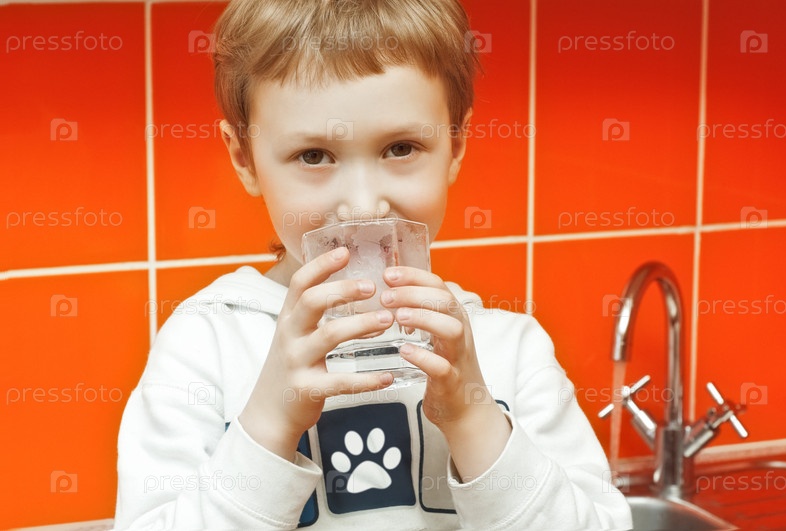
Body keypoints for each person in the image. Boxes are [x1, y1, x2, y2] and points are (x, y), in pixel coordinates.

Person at [114, 0, 632, 528]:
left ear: (455, 144)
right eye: (314, 156)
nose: (363, 207)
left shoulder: (511, 353)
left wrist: (474, 419)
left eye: (401, 148)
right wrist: (268, 424)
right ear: (244, 157)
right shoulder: (204, 346)